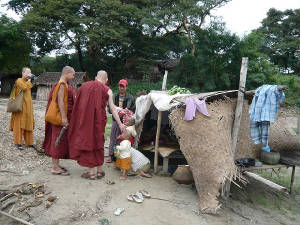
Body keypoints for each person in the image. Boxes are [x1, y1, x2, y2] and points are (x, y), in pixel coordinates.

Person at [68, 70, 126, 180]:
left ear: (95, 77)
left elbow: (78, 105)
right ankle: (99, 171)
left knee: (88, 143)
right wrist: (120, 124)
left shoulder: (84, 87)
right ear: (107, 80)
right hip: (99, 122)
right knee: (99, 143)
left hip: (86, 122)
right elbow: (113, 109)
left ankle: (92, 173)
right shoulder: (107, 90)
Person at [42, 66, 75, 175]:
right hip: (60, 118)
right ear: (67, 73)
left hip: (64, 116)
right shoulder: (61, 85)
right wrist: (64, 118)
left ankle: (56, 164)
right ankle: (55, 167)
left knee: (60, 140)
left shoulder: (64, 84)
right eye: (73, 75)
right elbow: (60, 101)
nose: (73, 77)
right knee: (58, 140)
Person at [106, 79, 135, 163]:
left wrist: (125, 112)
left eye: (123, 86)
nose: (121, 88)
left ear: (126, 87)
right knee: (113, 138)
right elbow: (109, 108)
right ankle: (110, 155)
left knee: (123, 139)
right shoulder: (114, 96)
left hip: (126, 122)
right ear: (118, 86)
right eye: (120, 86)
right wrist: (116, 112)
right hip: (116, 120)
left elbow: (133, 109)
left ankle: (119, 157)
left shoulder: (130, 98)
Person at [9, 67, 35, 150]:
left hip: (28, 107)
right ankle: (17, 143)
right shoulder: (19, 80)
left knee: (28, 123)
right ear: (23, 73)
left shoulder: (27, 82)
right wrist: (29, 80)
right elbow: (24, 87)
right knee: (19, 125)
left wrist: (31, 80)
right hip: (20, 107)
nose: (29, 75)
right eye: (27, 73)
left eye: (30, 73)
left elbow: (29, 87)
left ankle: (29, 143)